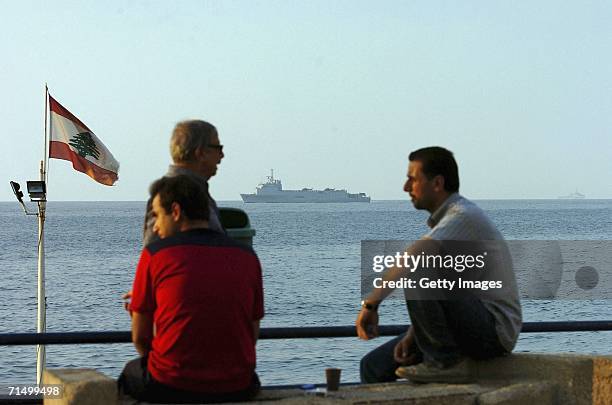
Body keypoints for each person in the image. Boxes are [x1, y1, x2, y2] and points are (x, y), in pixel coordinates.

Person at [356, 146, 522, 384]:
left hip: (493, 332)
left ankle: (443, 364)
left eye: (412, 179)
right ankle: (438, 359)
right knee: (373, 366)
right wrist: (414, 335)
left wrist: (370, 305)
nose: (405, 188)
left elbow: (415, 260)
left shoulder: (463, 216)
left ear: (437, 183)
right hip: (466, 327)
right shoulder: (447, 223)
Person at [119, 175, 264, 403]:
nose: (155, 226)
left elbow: (141, 339)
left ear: (175, 212)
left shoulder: (155, 255)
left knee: (129, 374)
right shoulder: (248, 256)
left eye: (157, 215)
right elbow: (251, 333)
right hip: (239, 384)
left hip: (173, 385)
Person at [143, 119, 225, 246]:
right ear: (201, 153)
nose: (222, 155)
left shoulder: (194, 189)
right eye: (218, 148)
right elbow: (154, 252)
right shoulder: (171, 195)